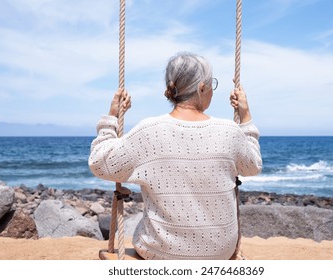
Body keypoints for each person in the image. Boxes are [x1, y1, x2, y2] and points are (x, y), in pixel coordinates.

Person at [88, 52, 262, 260]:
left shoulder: (149, 131)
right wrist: (246, 114)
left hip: (161, 252)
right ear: (202, 87)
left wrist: (112, 116)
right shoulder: (230, 131)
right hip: (220, 253)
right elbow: (252, 165)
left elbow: (100, 163)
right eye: (211, 84)